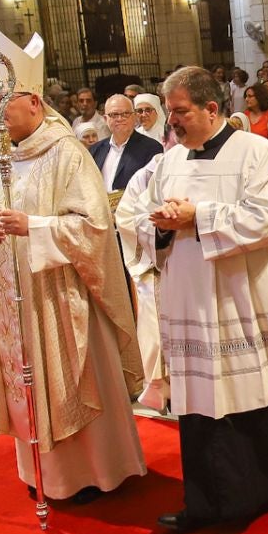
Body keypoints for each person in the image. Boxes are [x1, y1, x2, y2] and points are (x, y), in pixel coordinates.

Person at [138, 66, 268, 534]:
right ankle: (208, 502)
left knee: (256, 396)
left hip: (244, 299)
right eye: (170, 113)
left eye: (180, 112)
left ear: (212, 109)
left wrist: (196, 216)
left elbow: (266, 220)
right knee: (202, 403)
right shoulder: (169, 160)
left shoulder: (256, 153)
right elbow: (137, 215)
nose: (173, 122)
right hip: (192, 301)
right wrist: (158, 224)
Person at [0, 28, 146, 505]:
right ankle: (42, 472)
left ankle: (93, 472)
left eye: (4, 104)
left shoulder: (66, 152)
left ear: (32, 100)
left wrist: (35, 226)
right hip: (13, 293)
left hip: (60, 291)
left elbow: (93, 225)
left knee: (75, 378)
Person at [113, 161, 170, 411]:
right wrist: (159, 232)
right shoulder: (145, 175)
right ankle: (160, 387)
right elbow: (125, 217)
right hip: (153, 267)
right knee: (155, 329)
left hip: (191, 267)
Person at [91, 94, 164, 190]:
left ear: (134, 117)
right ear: (105, 119)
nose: (120, 119)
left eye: (126, 114)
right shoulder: (96, 150)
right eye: (114, 114)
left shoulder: (152, 148)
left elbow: (154, 189)